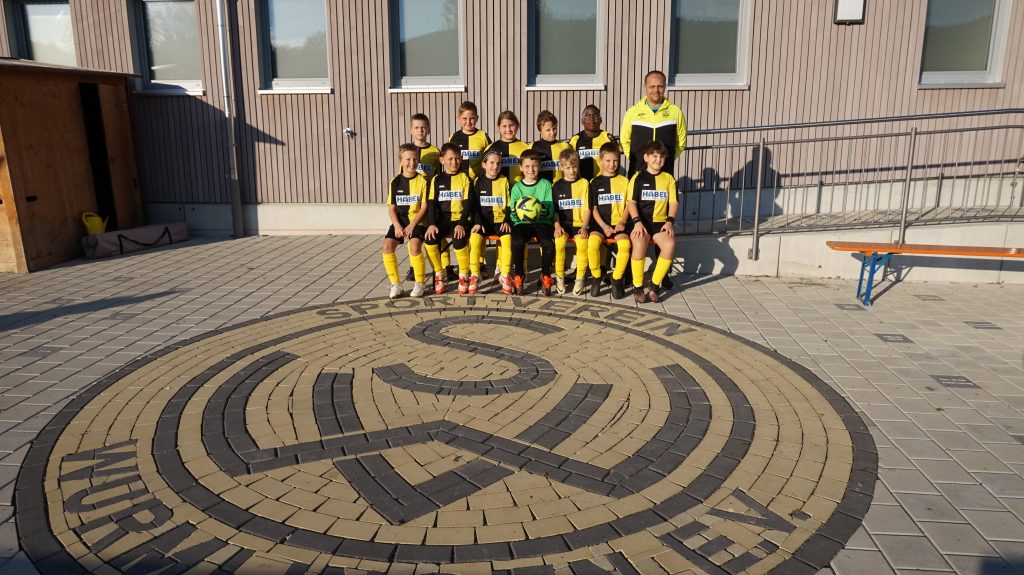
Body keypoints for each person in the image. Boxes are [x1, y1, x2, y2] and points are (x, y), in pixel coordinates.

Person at [627, 141, 678, 303]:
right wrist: (637, 222)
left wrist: (669, 222)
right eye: (654, 156)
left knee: (669, 245)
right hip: (640, 222)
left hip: (659, 223)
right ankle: (637, 286)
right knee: (639, 243)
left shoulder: (669, 178)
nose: (658, 159)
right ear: (646, 157)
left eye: (661, 156)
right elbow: (631, 202)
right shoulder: (637, 177)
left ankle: (654, 285)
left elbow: (674, 203)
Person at [424, 143, 474, 295]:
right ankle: (439, 273)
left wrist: (462, 223)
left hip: (460, 219)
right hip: (443, 220)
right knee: (429, 239)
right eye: (450, 159)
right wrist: (431, 224)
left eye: (457, 158)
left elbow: (469, 204)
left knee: (459, 239)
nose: (454, 162)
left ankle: (464, 275)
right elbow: (432, 203)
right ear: (442, 160)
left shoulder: (465, 178)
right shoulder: (437, 179)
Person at [619, 70, 687, 177]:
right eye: (652, 86)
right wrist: (637, 158)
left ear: (665, 87)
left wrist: (664, 159)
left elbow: (681, 142)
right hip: (638, 170)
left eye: (660, 86)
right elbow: (624, 141)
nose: (656, 90)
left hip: (665, 171)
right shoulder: (632, 112)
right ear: (645, 87)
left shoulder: (676, 112)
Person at [383, 144, 429, 299]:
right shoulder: (395, 182)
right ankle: (396, 284)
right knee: (387, 246)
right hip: (400, 221)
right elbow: (391, 208)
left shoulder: (423, 181)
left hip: (418, 221)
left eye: (415, 159)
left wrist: (412, 225)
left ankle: (420, 283)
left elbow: (424, 207)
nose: (412, 162)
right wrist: (397, 226)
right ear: (401, 161)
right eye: (408, 159)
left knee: (414, 247)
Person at [508, 150, 556, 296]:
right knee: (516, 241)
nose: (531, 170)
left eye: (535, 166)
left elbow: (550, 210)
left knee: (548, 243)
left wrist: (535, 209)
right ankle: (519, 275)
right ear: (521, 167)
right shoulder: (517, 187)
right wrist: (522, 213)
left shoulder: (545, 185)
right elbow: (513, 213)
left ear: (540, 166)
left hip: (543, 222)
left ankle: (545, 275)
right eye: (527, 166)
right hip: (522, 223)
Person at [587, 142, 631, 299]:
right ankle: (596, 276)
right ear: (600, 161)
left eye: (615, 161)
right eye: (608, 161)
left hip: (619, 224)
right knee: (592, 244)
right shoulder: (594, 182)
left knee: (625, 245)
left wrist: (623, 222)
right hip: (600, 224)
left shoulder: (625, 181)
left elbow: (629, 205)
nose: (612, 164)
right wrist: (603, 226)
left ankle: (617, 279)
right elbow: (593, 209)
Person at [469, 149, 513, 294]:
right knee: (474, 239)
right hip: (483, 222)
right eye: (492, 163)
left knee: (507, 240)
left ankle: (505, 275)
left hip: (500, 222)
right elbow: (475, 206)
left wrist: (507, 220)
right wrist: (477, 222)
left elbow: (509, 204)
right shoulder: (478, 182)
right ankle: (475, 274)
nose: (495, 166)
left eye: (498, 163)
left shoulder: (504, 180)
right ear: (484, 164)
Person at [404, 114, 440, 282]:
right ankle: (414, 267)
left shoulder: (435, 151)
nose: (420, 130)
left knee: (435, 233)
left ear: (429, 130)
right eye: (417, 127)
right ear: (411, 130)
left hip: (430, 199)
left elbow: (440, 176)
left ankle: (443, 266)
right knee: (413, 235)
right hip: (414, 201)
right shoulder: (407, 152)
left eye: (423, 127)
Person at [551, 149, 590, 296]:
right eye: (568, 167)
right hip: (564, 225)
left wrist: (585, 226)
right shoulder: (556, 186)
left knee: (583, 245)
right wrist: (557, 225)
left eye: (574, 167)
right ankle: (560, 276)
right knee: (559, 244)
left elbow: (587, 208)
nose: (572, 171)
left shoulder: (584, 183)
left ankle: (580, 277)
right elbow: (554, 210)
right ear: (562, 167)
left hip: (580, 225)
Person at [569, 105, 616, 181]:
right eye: (588, 116)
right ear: (582, 121)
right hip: (582, 183)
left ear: (600, 120)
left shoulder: (608, 138)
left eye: (595, 116)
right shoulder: (575, 140)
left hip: (604, 183)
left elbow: (616, 162)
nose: (592, 120)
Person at [483, 111, 530, 184]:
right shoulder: (490, 148)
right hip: (498, 189)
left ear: (517, 126)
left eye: (511, 125)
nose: (508, 129)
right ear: (498, 127)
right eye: (504, 126)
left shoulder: (527, 147)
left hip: (520, 189)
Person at [448, 101, 491, 178]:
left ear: (477, 118)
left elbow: (491, 157)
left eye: (472, 118)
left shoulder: (483, 136)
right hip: (459, 180)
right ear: (458, 118)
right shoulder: (453, 137)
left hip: (479, 181)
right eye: (464, 118)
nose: (468, 122)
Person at [531, 110, 571, 182]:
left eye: (554, 129)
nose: (552, 132)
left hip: (561, 187)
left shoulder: (565, 146)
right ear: (540, 131)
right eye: (548, 130)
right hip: (541, 187)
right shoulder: (533, 147)